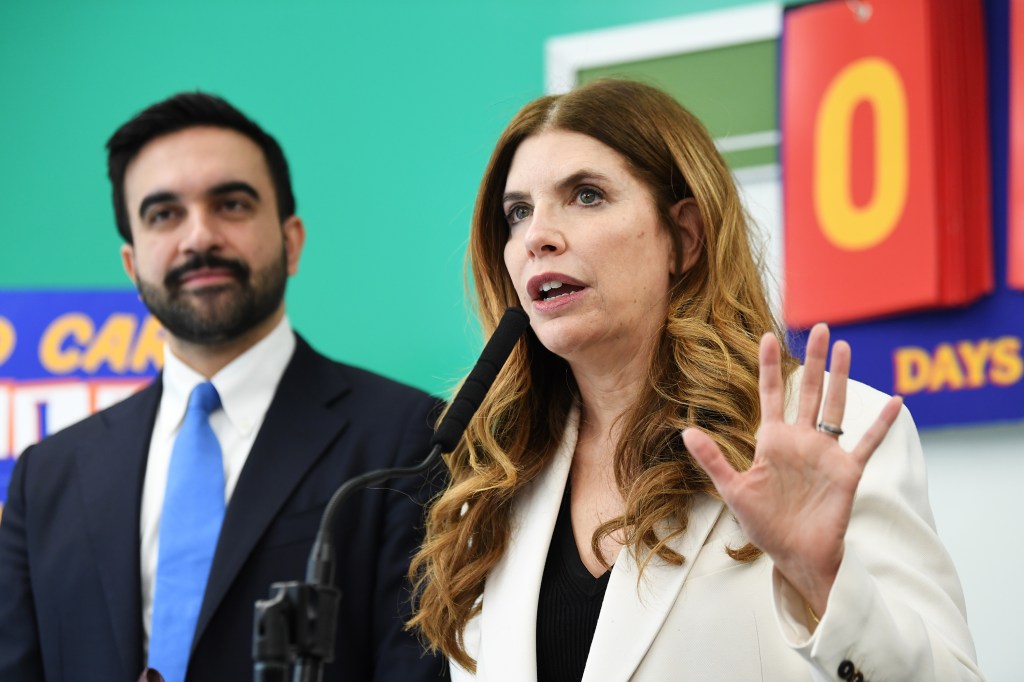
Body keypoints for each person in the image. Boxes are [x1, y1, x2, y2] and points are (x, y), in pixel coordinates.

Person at [408, 79, 982, 681]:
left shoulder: (824, 437)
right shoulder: (493, 477)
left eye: (586, 195)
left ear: (683, 237)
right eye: (518, 212)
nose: (536, 237)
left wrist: (827, 583)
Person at [0, 92, 448, 682]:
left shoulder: (408, 440)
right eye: (164, 214)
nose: (199, 237)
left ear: (292, 242)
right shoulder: (47, 477)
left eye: (231, 205)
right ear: (132, 265)